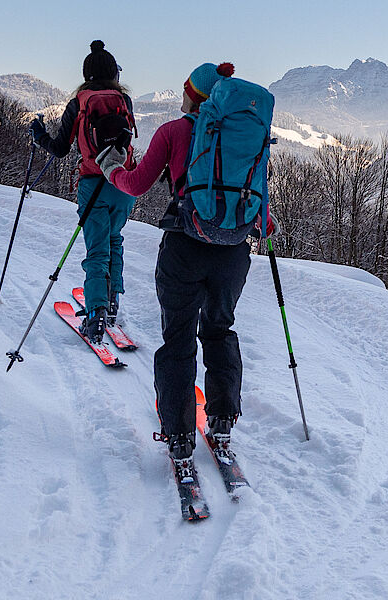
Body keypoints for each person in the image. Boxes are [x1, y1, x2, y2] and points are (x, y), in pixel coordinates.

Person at [97, 61, 269, 475]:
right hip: (232, 254)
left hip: (184, 246)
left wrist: (111, 168)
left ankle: (178, 436)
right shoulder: (244, 136)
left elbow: (136, 185)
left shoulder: (174, 132)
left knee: (178, 337)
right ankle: (223, 421)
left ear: (194, 95)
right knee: (219, 329)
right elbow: (258, 202)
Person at [30, 40, 136, 344]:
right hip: (124, 183)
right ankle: (112, 302)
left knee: (97, 251)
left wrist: (39, 136)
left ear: (86, 73)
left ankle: (96, 315)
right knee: (114, 240)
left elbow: (61, 149)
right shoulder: (124, 101)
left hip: (93, 184)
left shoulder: (79, 102)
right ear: (114, 72)